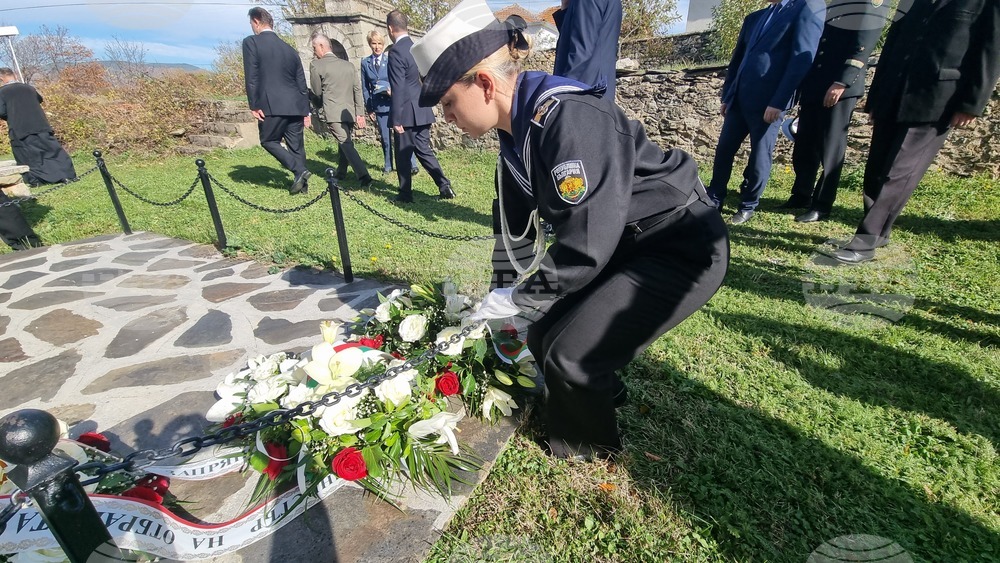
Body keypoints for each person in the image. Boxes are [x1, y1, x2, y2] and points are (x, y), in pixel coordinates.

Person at [411, 0, 730, 460]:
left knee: (570, 354)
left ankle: (587, 447)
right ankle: (597, 395)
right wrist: (502, 291)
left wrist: (522, 297)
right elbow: (516, 229)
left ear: (483, 84)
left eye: (447, 103)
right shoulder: (514, 130)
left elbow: (585, 243)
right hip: (627, 243)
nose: (446, 118)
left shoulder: (565, 118)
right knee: (543, 336)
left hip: (679, 244)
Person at [825, 0, 1000, 264]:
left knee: (900, 170)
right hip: (893, 93)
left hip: (938, 97)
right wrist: (876, 97)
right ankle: (879, 230)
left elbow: (990, 49)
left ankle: (866, 240)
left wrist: (971, 104)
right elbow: (893, 43)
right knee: (876, 169)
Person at [706, 0, 825, 225]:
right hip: (739, 100)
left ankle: (748, 205)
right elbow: (738, 59)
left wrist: (779, 102)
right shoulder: (755, 18)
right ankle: (715, 197)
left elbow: (801, 59)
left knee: (760, 154)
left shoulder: (807, 7)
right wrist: (728, 95)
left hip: (769, 103)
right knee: (724, 149)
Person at [782, 0, 888, 223]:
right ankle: (801, 194)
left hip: (837, 86)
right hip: (816, 83)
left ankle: (822, 204)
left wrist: (842, 82)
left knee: (830, 148)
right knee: (805, 144)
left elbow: (863, 44)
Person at [385, 10, 456, 203]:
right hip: (423, 107)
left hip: (406, 113)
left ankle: (405, 194)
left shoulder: (396, 52)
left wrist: (396, 118)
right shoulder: (418, 47)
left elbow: (398, 87)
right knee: (423, 150)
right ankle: (444, 185)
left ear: (390, 29)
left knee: (402, 154)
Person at [242, 7, 312, 195]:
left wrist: (254, 104)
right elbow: (301, 81)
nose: (252, 28)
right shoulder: (289, 49)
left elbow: (252, 76)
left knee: (268, 140)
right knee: (296, 146)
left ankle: (299, 171)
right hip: (295, 104)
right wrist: (306, 109)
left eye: (251, 24)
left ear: (256, 21)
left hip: (271, 104)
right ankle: (303, 188)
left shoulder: (252, 43)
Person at [309, 33, 372, 188]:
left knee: (345, 143)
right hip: (349, 111)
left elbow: (317, 92)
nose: (314, 51)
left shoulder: (316, 65)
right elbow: (357, 90)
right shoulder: (348, 65)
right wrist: (359, 113)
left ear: (322, 46)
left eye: (314, 47)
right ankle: (342, 172)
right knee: (344, 142)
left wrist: (314, 101)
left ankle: (364, 176)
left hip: (333, 112)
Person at [0, 67, 76, 186]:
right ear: (14, 75)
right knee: (52, 150)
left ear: (1, 78)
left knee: (27, 155)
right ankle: (66, 175)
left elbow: (2, 112)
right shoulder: (29, 88)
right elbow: (39, 100)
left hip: (20, 128)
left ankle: (36, 180)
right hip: (41, 124)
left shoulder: (2, 92)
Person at [360, 30, 417, 175]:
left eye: (380, 44)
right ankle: (388, 164)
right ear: (369, 44)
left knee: (402, 135)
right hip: (379, 105)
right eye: (374, 43)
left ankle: (411, 163)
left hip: (394, 103)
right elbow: (365, 87)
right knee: (385, 138)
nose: (377, 47)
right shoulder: (365, 63)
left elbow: (399, 80)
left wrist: (393, 92)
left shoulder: (390, 59)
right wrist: (369, 108)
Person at [552, 0, 622, 102]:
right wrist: (566, 7)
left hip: (582, 95)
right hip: (596, 93)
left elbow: (580, 52)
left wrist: (561, 95)